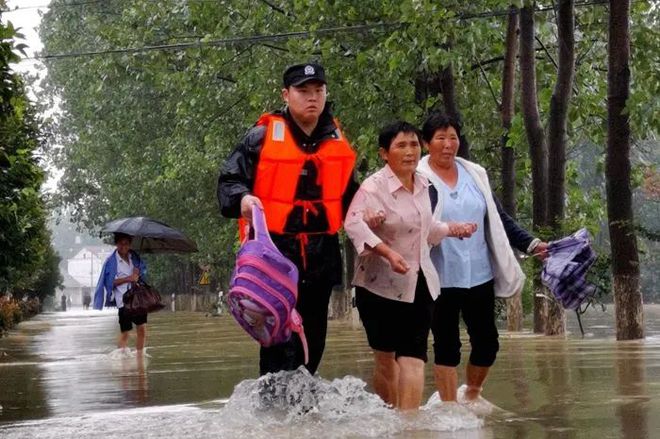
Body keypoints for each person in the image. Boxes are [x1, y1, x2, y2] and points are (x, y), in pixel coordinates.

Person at [217, 62, 359, 376]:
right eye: (303, 91)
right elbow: (228, 182)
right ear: (286, 94)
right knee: (278, 341)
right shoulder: (260, 137)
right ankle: (274, 417)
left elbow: (353, 196)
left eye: (318, 91)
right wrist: (243, 199)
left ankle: (302, 416)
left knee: (315, 340)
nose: (312, 98)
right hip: (274, 254)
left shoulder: (336, 140)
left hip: (321, 253)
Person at [417, 112, 548, 408]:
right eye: (440, 138)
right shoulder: (419, 179)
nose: (448, 144)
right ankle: (449, 409)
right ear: (427, 143)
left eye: (453, 138)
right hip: (440, 275)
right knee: (446, 345)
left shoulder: (475, 174)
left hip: (478, 273)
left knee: (488, 343)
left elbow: (499, 218)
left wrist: (532, 243)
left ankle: (472, 395)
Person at [344, 121, 476, 410]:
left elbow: (426, 232)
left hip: (420, 283)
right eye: (401, 145)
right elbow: (352, 223)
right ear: (384, 153)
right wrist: (387, 253)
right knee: (386, 362)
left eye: (414, 144)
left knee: (414, 358)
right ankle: (390, 416)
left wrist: (454, 229)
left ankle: (410, 427)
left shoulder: (427, 186)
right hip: (379, 289)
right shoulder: (372, 187)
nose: (409, 152)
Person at [93, 233, 149, 353]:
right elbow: (110, 283)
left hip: (137, 299)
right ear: (117, 244)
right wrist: (129, 278)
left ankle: (140, 361)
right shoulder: (111, 262)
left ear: (130, 245)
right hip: (123, 302)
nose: (124, 246)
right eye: (121, 244)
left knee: (142, 330)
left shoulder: (134, 258)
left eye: (127, 244)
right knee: (125, 333)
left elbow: (143, 272)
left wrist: (138, 273)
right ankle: (121, 360)